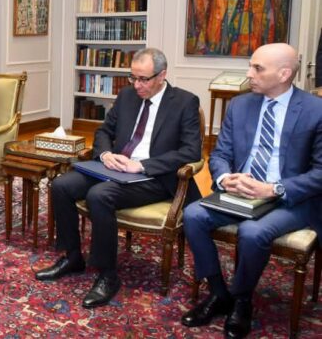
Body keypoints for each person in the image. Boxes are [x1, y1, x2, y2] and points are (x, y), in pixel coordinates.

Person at [35, 48, 202, 308]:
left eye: (143, 79)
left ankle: (107, 275)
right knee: (61, 185)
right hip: (114, 168)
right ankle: (73, 256)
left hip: (153, 177)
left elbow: (191, 152)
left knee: (99, 195)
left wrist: (142, 165)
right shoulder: (127, 96)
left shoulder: (185, 102)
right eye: (133, 77)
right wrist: (105, 154)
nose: (137, 85)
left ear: (162, 75)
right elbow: (104, 131)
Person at [181, 43, 322, 339]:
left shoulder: (315, 110)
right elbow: (220, 153)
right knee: (193, 214)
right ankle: (219, 293)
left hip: (289, 198)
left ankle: (242, 300)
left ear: (284, 73)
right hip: (242, 191)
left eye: (257, 68)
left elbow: (320, 172)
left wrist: (273, 188)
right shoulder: (240, 105)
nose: (249, 74)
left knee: (252, 233)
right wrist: (225, 178)